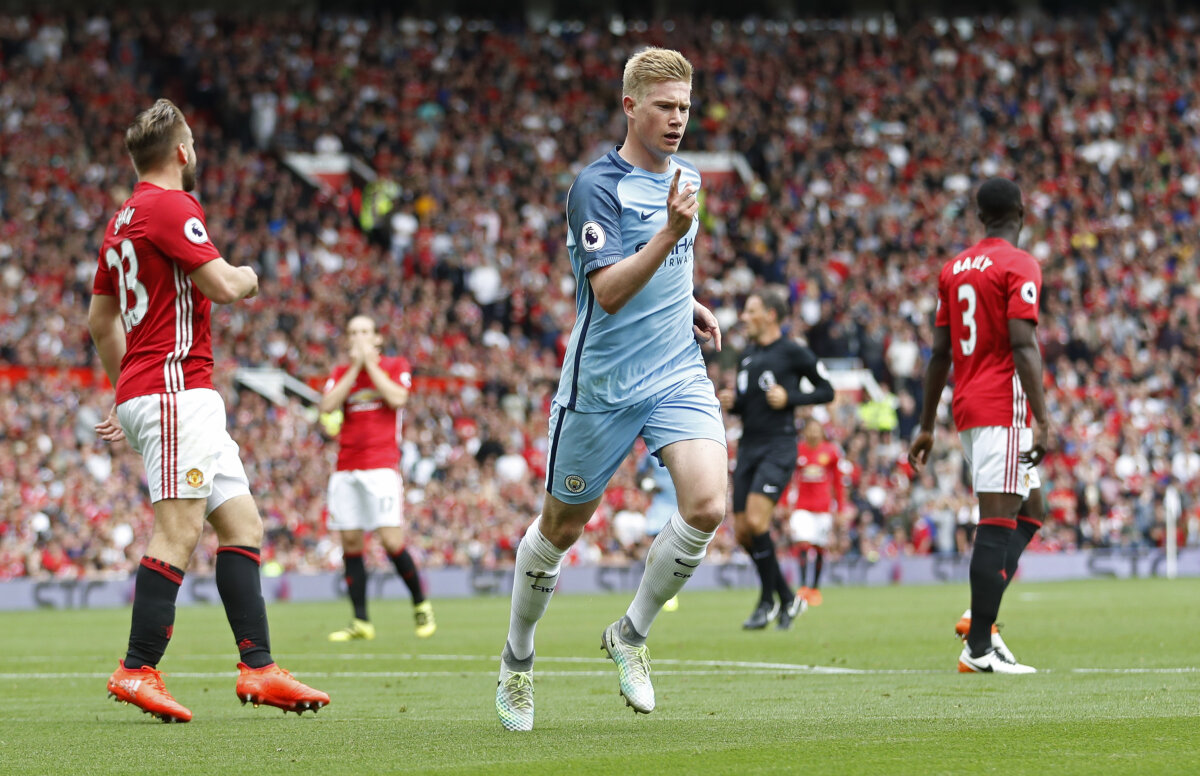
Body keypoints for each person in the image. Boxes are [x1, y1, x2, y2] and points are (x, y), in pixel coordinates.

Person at [494, 47, 727, 732]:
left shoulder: (686, 177)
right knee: (560, 529)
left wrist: (688, 302)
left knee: (707, 505)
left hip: (676, 371)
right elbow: (609, 290)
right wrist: (670, 234)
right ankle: (517, 659)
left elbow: (669, 265)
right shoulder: (595, 188)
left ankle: (630, 634)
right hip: (602, 385)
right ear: (630, 106)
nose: (678, 119)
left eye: (685, 107)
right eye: (665, 107)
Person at [88, 99, 329, 722]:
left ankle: (259, 668)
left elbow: (100, 321)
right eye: (192, 143)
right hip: (175, 390)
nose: (195, 151)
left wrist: (125, 388)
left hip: (170, 390)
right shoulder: (172, 206)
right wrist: (251, 275)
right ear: (181, 151)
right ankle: (137, 668)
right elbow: (222, 284)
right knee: (180, 531)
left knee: (242, 525)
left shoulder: (120, 221)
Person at [908, 177, 1051, 674]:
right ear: (1021, 213)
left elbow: (939, 354)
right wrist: (1043, 419)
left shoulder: (954, 269)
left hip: (969, 406)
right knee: (997, 522)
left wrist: (926, 424)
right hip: (1003, 406)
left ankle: (979, 618)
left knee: (1033, 508)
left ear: (980, 216)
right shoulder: (1019, 263)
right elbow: (1023, 344)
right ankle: (979, 648)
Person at [718, 287, 834, 631]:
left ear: (770, 315)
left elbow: (826, 390)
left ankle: (767, 601)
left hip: (778, 446)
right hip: (748, 447)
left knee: (757, 522)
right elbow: (749, 402)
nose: (744, 317)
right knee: (743, 532)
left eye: (751, 310)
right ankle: (786, 597)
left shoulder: (793, 351)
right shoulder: (747, 355)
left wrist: (791, 397)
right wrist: (734, 403)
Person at [318, 315, 435, 642]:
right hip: (346, 467)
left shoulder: (395, 365)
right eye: (353, 332)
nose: (359, 337)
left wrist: (369, 365)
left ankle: (420, 603)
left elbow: (398, 398)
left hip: (382, 466)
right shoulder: (341, 372)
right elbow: (327, 406)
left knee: (391, 540)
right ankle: (361, 621)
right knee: (350, 542)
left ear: (377, 338)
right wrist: (356, 367)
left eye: (365, 332)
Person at [782, 417, 847, 609]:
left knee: (819, 547)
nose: (813, 433)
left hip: (823, 507)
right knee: (802, 544)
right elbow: (787, 478)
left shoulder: (831, 451)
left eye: (816, 430)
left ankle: (815, 588)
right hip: (802, 506)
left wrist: (840, 508)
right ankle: (803, 586)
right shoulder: (798, 450)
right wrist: (784, 502)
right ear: (804, 432)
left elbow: (838, 482)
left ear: (822, 432)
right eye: (810, 430)